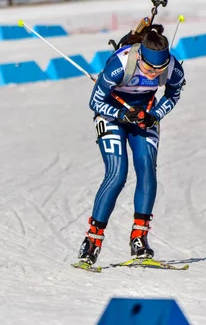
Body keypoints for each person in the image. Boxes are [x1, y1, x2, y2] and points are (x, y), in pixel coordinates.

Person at [77, 24, 186, 265]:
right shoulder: (120, 64)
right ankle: (92, 241)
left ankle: (139, 239)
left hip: (144, 114)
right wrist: (122, 116)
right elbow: (95, 102)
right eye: (149, 67)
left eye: (160, 68)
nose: (152, 73)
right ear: (140, 57)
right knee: (117, 174)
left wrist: (155, 115)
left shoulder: (172, 68)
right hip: (111, 115)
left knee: (147, 169)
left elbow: (174, 93)